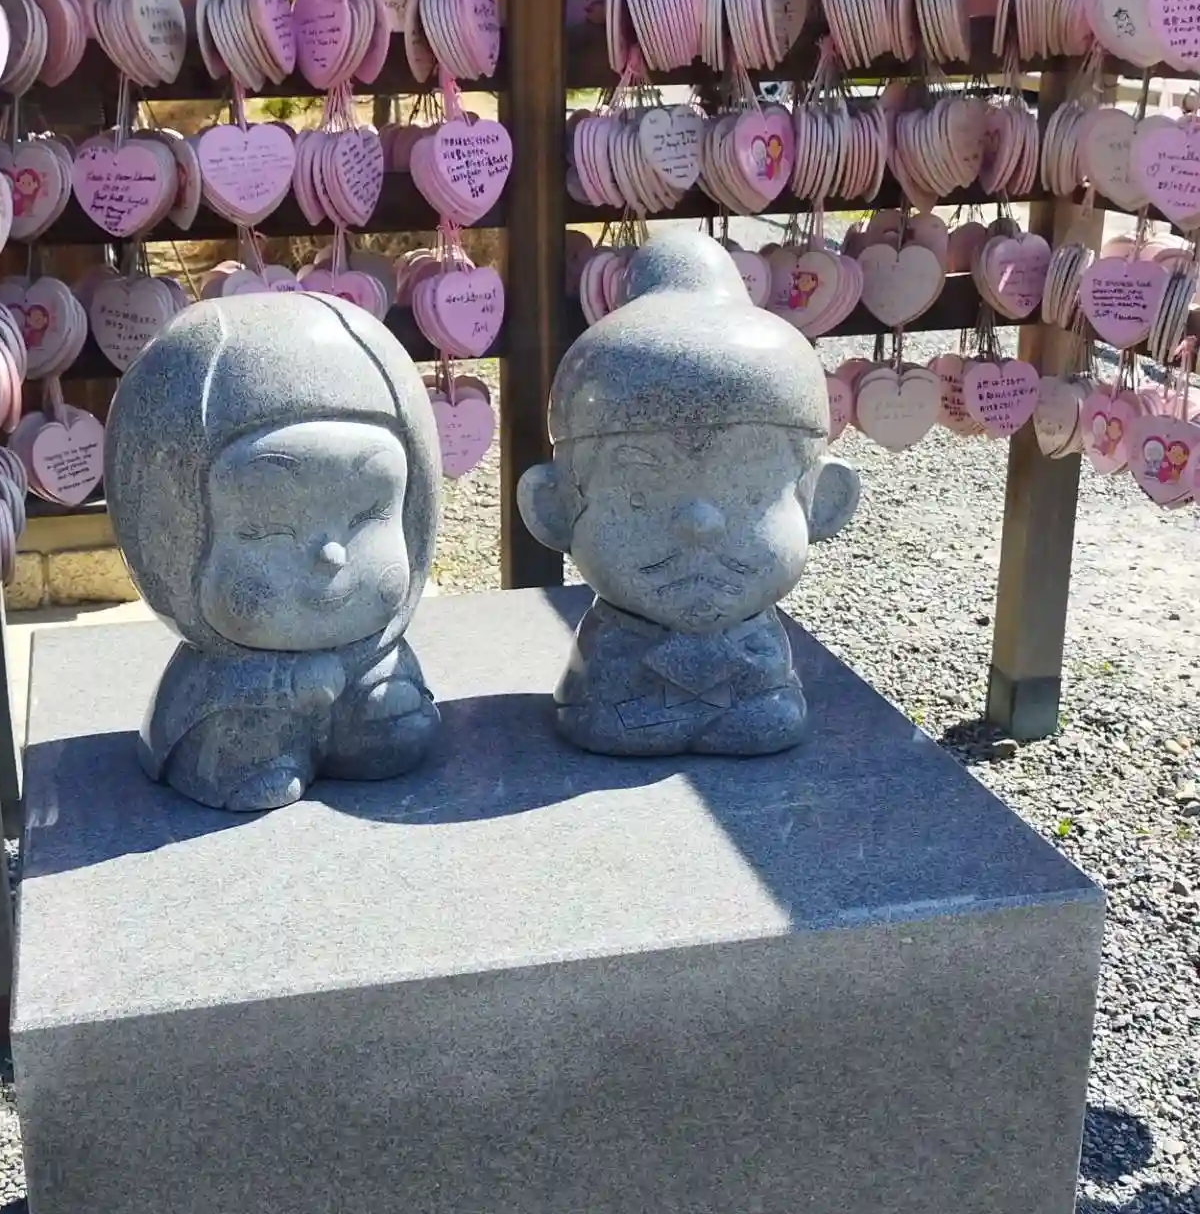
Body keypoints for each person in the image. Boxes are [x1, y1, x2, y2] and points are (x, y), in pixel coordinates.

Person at [517, 233, 859, 756]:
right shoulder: (613, 649)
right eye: (640, 489)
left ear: (824, 502)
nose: (700, 521)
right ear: (554, 509)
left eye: (748, 489)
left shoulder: (759, 647)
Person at [105, 293, 442, 810]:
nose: (332, 556)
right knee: (243, 746)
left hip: (370, 673)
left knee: (394, 719)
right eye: (269, 531)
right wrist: (284, 684)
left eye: (366, 516)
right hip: (232, 698)